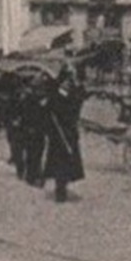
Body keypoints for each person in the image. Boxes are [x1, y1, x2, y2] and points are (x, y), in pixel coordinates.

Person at [40, 68, 86, 203]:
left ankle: (62, 186)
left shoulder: (72, 96)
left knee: (66, 165)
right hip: (58, 136)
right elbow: (48, 116)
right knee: (59, 165)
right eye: (66, 81)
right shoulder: (55, 97)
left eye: (69, 81)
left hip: (69, 135)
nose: (68, 84)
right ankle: (60, 191)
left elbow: (77, 106)